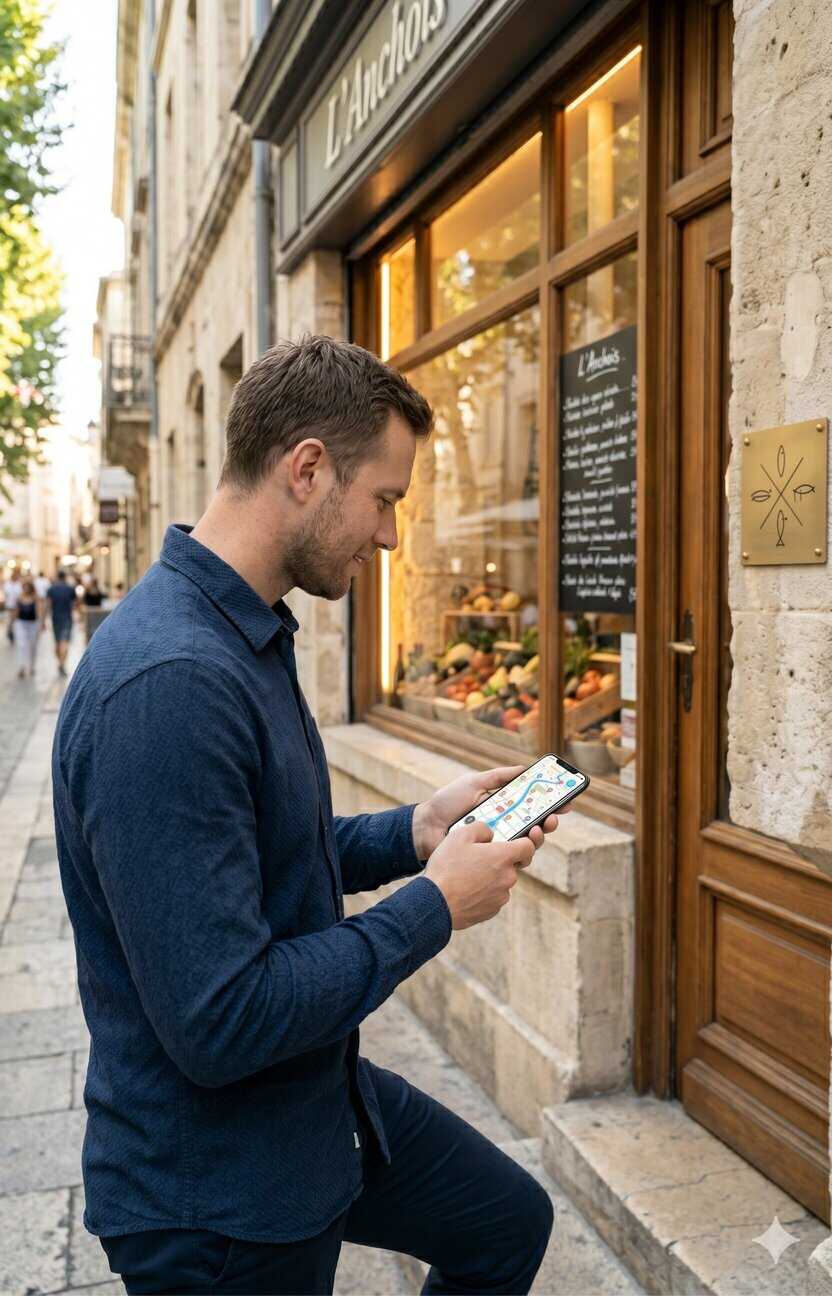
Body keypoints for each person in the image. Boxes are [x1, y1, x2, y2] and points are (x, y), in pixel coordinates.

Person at [52, 336, 564, 1296]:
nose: (389, 537)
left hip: (312, 1108)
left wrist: (411, 833)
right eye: (385, 500)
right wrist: (436, 908)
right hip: (218, 1201)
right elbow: (225, 1017)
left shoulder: (240, 630)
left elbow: (259, 853)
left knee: (504, 1223)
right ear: (307, 470)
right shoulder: (171, 685)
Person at [46, 570, 77, 677]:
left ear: (57, 577)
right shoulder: (70, 589)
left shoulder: (51, 589)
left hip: (55, 618)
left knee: (57, 642)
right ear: (65, 577)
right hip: (67, 618)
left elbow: (48, 605)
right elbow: (74, 604)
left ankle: (60, 663)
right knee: (64, 642)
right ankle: (62, 664)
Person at [12, 579, 40, 679]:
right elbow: (16, 611)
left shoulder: (35, 598)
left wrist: (41, 624)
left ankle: (32, 666)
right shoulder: (19, 598)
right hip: (21, 623)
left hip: (33, 623)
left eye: (28, 586)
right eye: (25, 586)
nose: (26, 589)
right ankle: (22, 667)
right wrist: (12, 623)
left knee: (33, 646)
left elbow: (38, 611)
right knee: (22, 645)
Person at [3, 567, 22, 645]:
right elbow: (6, 594)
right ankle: (10, 633)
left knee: (15, 621)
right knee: (10, 620)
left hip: (17, 606)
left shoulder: (19, 584)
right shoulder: (7, 584)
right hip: (9, 605)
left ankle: (12, 634)